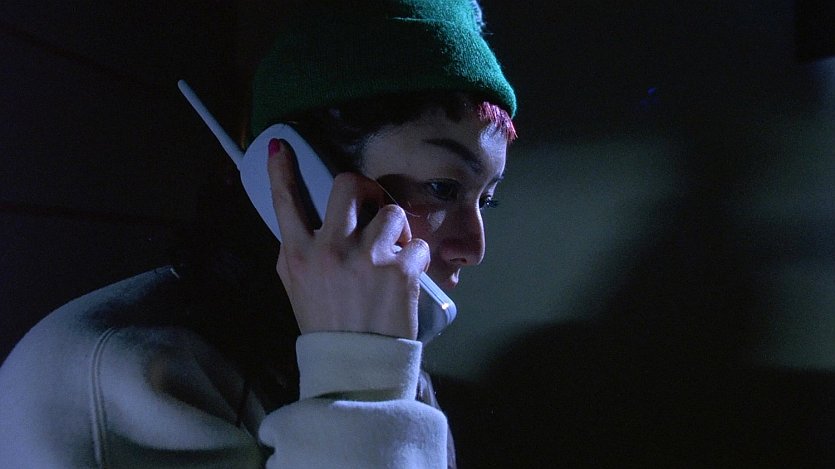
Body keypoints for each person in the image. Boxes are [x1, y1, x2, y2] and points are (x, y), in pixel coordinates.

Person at [0, 0, 517, 467]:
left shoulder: (389, 352)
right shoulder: (116, 377)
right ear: (301, 176)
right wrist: (361, 382)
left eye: (486, 199)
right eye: (442, 187)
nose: (474, 248)